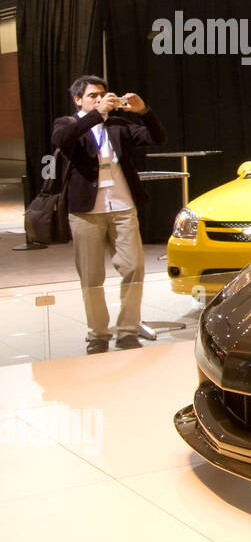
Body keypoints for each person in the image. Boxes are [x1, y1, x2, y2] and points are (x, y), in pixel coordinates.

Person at [52, 75, 166, 353]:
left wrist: (144, 112)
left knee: (134, 269)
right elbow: (61, 139)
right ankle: (98, 334)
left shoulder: (118, 125)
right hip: (86, 211)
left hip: (123, 207)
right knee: (91, 277)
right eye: (93, 95)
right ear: (78, 100)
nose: (101, 99)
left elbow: (157, 137)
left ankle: (127, 330)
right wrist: (96, 114)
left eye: (103, 94)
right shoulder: (69, 124)